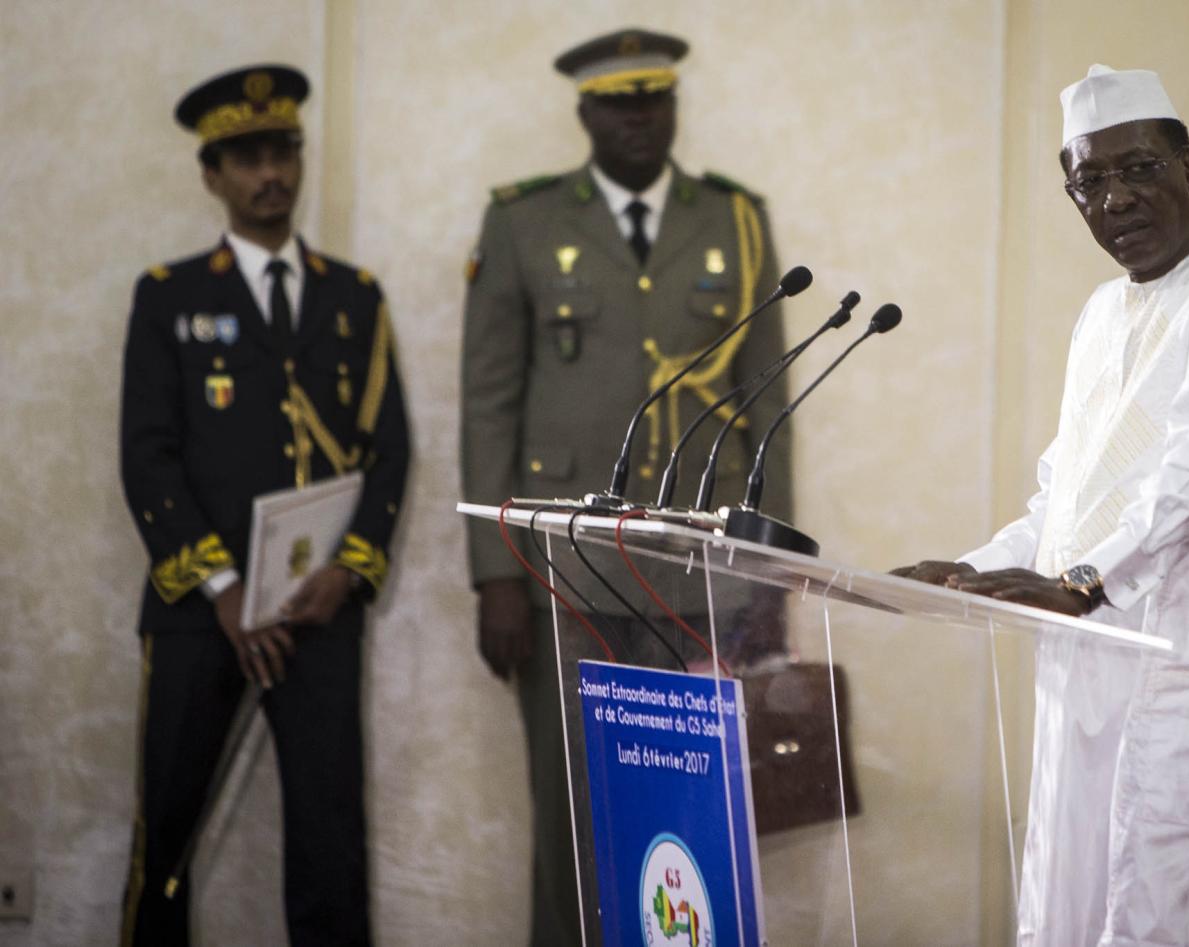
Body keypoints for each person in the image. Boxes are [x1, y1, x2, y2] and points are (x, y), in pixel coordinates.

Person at [894, 65, 1189, 944]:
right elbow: (1069, 489)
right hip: (1092, 671)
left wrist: (1084, 580)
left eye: (1138, 169)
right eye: (1089, 182)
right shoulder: (1102, 313)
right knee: (1081, 903)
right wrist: (973, 569)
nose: (1115, 199)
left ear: (1188, 166)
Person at [459, 27, 792, 944]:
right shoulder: (523, 222)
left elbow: (770, 406)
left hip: (701, 569)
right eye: (618, 102)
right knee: (574, 808)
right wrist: (495, 573)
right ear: (585, 112)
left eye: (654, 98)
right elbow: (488, 403)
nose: (639, 117)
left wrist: (767, 578)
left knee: (695, 808)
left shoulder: (735, 219)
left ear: (675, 105)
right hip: (563, 569)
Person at [118, 64, 409, 946]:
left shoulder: (353, 296)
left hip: (318, 607)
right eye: (247, 158)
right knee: (166, 836)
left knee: (330, 837)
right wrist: (225, 589)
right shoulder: (169, 296)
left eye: (283, 151)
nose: (271, 173)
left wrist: (347, 572)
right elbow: (147, 457)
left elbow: (388, 451)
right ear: (212, 175)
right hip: (200, 610)